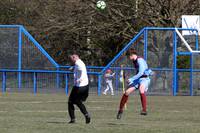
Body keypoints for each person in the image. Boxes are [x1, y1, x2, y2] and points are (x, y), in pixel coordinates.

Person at [117, 48, 152, 119]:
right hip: (138, 79)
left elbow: (141, 72)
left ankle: (144, 110)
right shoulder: (134, 61)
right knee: (126, 92)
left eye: (128, 56)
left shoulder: (140, 60)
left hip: (144, 79)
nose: (128, 58)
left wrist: (131, 79)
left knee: (141, 90)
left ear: (131, 55)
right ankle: (120, 111)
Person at [68, 54, 91, 124]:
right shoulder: (80, 62)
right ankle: (86, 115)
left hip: (79, 86)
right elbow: (80, 69)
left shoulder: (78, 64)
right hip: (85, 86)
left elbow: (82, 70)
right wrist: (73, 68)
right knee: (77, 102)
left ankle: (73, 119)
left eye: (71, 59)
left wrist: (80, 79)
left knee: (70, 102)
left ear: (75, 58)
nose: (71, 61)